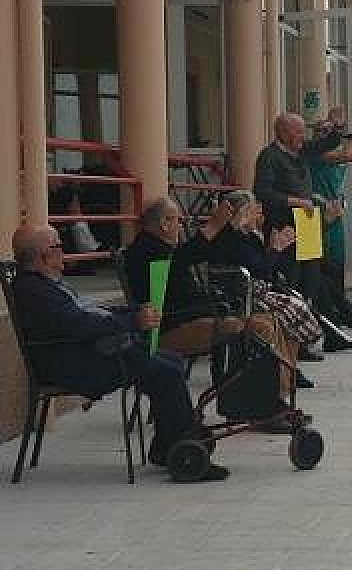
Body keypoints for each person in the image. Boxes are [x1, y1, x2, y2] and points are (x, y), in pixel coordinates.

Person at [10, 225, 227, 481]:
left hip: (85, 353)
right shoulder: (33, 291)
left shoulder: (46, 283)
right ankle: (185, 454)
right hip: (76, 364)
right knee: (165, 372)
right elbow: (80, 326)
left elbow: (89, 314)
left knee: (169, 361)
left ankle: (169, 444)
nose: (63, 252)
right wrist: (133, 321)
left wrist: (132, 313)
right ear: (43, 256)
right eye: (58, 246)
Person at [124, 197, 300, 417]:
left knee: (269, 319)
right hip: (169, 328)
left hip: (191, 317)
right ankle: (264, 404)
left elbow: (203, 252)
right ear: (164, 224)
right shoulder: (145, 250)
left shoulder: (158, 246)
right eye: (178, 220)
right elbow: (188, 256)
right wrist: (214, 226)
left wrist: (227, 227)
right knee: (256, 329)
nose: (181, 226)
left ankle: (276, 397)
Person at [254, 112, 352, 351]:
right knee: (294, 283)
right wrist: (296, 201)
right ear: (282, 132)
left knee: (315, 279)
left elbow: (326, 144)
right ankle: (299, 343)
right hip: (285, 229)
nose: (303, 137)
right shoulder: (270, 157)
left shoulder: (300, 151)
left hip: (308, 226)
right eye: (297, 132)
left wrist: (337, 129)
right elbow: (263, 192)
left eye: (303, 132)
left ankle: (336, 330)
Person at [209, 191, 324, 380]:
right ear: (241, 215)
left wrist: (274, 248)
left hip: (258, 289)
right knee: (289, 309)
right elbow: (260, 270)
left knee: (295, 302)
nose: (260, 217)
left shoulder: (252, 237)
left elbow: (266, 272)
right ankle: (286, 370)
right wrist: (275, 250)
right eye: (254, 212)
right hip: (240, 295)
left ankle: (290, 368)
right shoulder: (229, 239)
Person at [308, 106, 352, 351]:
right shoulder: (317, 155)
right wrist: (351, 133)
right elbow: (347, 154)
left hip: (335, 214)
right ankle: (333, 328)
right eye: (324, 131)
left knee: (335, 270)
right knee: (321, 271)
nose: (329, 134)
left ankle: (337, 328)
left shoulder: (334, 153)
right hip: (317, 213)